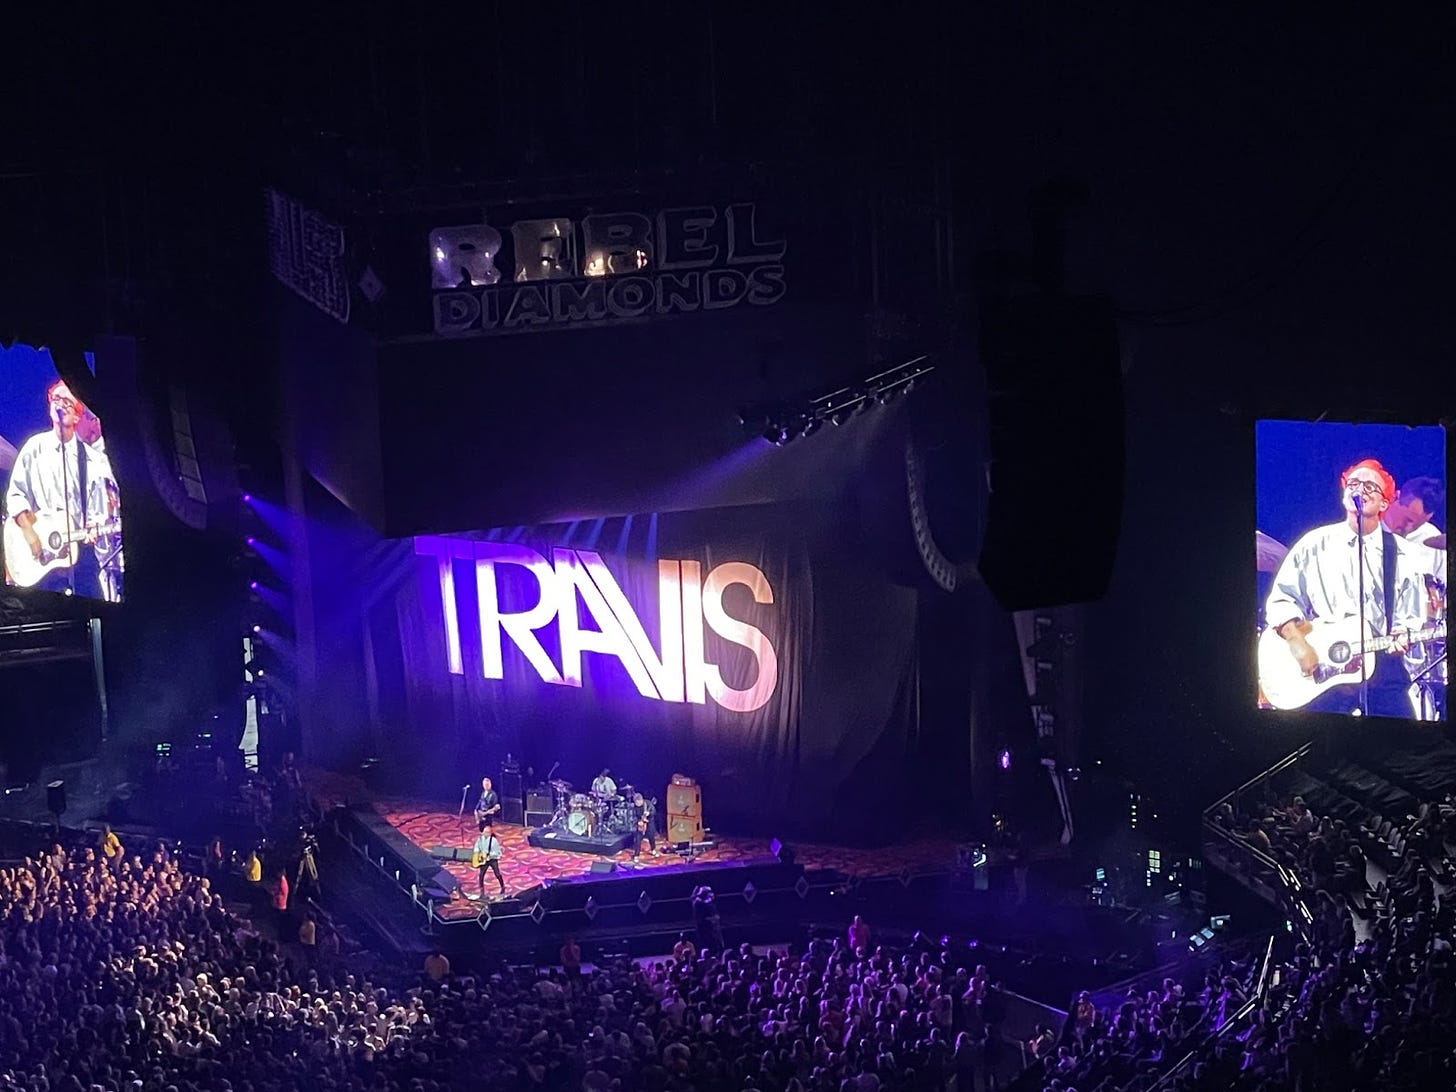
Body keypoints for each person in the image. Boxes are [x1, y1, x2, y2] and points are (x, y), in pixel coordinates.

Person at [1264, 458, 1433, 717]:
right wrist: (1299, 644)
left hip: (1381, 672)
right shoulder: (1314, 543)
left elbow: (1409, 618)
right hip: (1322, 673)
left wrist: (1403, 634)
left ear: (1384, 503)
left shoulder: (1403, 553)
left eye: (1369, 487)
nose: (1360, 490)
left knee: (1404, 739)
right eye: (1353, 483)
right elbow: (1281, 600)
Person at [4, 379, 122, 599]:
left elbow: (98, 511)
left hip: (82, 560)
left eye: (67, 402)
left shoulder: (93, 461)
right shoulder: (34, 448)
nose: (60, 405)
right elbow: (16, 495)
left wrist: (94, 527)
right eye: (56, 399)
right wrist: (31, 535)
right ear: (50, 407)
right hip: (42, 562)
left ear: (77, 415)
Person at [1385, 476, 1445, 544]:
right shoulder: (1371, 521)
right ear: (1395, 498)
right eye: (1408, 520)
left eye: (1417, 525)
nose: (1408, 529)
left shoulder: (1430, 536)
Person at [469, 819, 505, 900]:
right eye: (484, 832)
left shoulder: (494, 841)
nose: (486, 834)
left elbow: (497, 853)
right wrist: (478, 854)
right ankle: (482, 892)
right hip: (483, 860)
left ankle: (502, 887)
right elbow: (476, 848)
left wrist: (489, 856)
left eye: (487, 832)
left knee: (497, 874)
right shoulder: (480, 839)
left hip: (492, 859)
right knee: (481, 875)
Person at [631, 793, 659, 860]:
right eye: (636, 803)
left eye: (638, 802)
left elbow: (654, 811)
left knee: (651, 836)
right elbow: (633, 816)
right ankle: (636, 855)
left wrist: (649, 813)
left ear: (641, 800)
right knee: (637, 839)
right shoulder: (634, 807)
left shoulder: (648, 803)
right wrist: (638, 822)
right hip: (640, 824)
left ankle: (653, 850)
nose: (637, 804)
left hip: (649, 823)